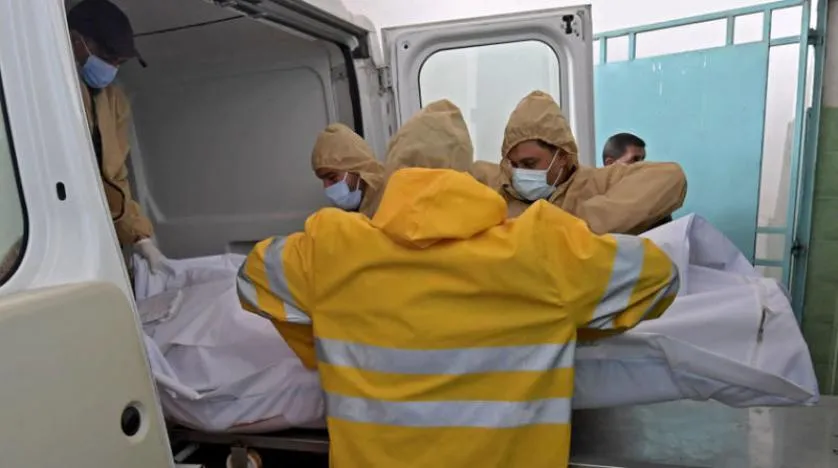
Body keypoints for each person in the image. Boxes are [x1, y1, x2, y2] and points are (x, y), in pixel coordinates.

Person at [236, 99, 680, 467]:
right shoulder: (544, 247)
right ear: (469, 175)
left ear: (392, 173)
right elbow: (659, 278)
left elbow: (251, 280)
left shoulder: (330, 248)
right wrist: (566, 327)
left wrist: (316, 344)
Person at [68, 0, 167, 273]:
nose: (113, 67)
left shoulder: (114, 101)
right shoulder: (37, 87)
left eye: (120, 62)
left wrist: (140, 237)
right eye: (109, 57)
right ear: (76, 41)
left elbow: (114, 177)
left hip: (88, 233)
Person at [501, 91, 687, 234]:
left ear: (562, 156)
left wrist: (572, 226)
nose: (519, 174)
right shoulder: (503, 190)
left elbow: (671, 177)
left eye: (529, 164)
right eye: (514, 165)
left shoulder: (597, 183)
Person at [311, 124, 385, 217]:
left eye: (332, 178)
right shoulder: (354, 214)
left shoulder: (389, 203)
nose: (327, 187)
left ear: (357, 170)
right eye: (323, 180)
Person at [602, 133, 674, 228]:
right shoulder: (591, 201)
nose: (642, 166)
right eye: (635, 159)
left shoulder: (654, 202)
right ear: (610, 164)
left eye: (642, 160)